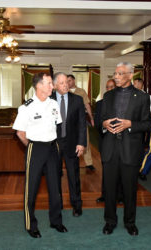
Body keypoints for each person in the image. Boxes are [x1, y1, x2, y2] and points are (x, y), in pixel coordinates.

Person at [100, 62, 151, 236]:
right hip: (110, 148)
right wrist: (104, 124)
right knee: (109, 189)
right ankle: (110, 221)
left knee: (130, 189)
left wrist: (130, 125)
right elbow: (100, 120)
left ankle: (130, 222)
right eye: (115, 73)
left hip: (130, 149)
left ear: (130, 75)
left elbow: (147, 123)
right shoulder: (107, 96)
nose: (116, 76)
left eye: (120, 74)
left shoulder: (143, 97)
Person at [13, 73, 67, 238]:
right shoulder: (26, 107)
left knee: (55, 187)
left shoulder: (53, 104)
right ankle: (31, 225)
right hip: (35, 148)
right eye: (50, 83)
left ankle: (56, 221)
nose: (53, 86)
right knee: (32, 188)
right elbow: (20, 133)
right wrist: (32, 147)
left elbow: (57, 126)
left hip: (52, 148)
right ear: (39, 86)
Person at [51, 72, 86, 217]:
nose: (66, 85)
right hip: (53, 144)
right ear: (54, 85)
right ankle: (57, 204)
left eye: (67, 82)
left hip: (72, 143)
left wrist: (81, 143)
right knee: (54, 175)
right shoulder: (48, 100)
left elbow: (82, 124)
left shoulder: (77, 100)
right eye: (62, 83)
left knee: (73, 175)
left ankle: (77, 205)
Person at [67, 74, 95, 170]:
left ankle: (89, 163)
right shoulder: (65, 92)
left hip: (80, 120)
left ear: (74, 81)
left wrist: (91, 118)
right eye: (67, 81)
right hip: (69, 121)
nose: (68, 82)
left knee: (85, 140)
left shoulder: (81, 91)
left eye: (69, 80)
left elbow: (87, 105)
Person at [94, 79, 116, 203]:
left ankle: (119, 195)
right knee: (106, 169)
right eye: (107, 87)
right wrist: (104, 126)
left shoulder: (123, 102)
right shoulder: (100, 103)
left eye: (112, 87)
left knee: (120, 169)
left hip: (121, 142)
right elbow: (97, 123)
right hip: (105, 140)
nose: (109, 89)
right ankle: (105, 194)